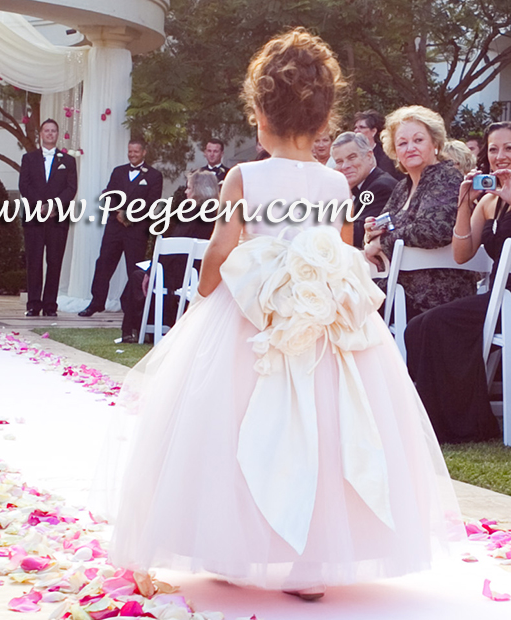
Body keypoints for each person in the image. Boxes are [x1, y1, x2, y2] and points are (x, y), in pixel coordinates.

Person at [102, 28, 461, 601]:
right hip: (319, 320)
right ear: (323, 122)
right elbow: (339, 250)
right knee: (324, 428)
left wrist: (203, 299)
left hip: (253, 317)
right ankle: (313, 563)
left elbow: (222, 247)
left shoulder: (245, 176)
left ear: (260, 115)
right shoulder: (333, 181)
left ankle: (231, 546)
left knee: (237, 424)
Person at [405, 121, 511, 444]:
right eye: (493, 149)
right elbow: (462, 254)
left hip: (505, 300)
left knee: (437, 323)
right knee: (419, 326)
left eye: (508, 148)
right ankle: (430, 422)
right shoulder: (490, 202)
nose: (499, 155)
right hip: (495, 297)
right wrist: (465, 202)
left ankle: (465, 425)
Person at [364, 105, 477, 317]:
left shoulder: (447, 178)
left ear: (435, 143)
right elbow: (387, 226)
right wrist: (373, 232)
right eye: (402, 143)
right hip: (400, 289)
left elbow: (434, 229)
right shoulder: (402, 187)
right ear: (395, 152)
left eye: (418, 140)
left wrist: (381, 242)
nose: (410, 148)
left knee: (349, 308)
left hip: (436, 296)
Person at [119, 170, 218, 342]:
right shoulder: (217, 215)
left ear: (198, 190)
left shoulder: (191, 215)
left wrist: (151, 272)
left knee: (137, 277)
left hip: (180, 275)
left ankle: (134, 329)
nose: (186, 192)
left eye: (189, 188)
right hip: (201, 272)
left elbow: (171, 249)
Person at [79, 139, 163, 317]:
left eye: (136, 151)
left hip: (137, 230)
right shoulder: (119, 171)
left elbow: (152, 203)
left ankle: (132, 307)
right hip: (115, 228)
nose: (132, 154)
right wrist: (118, 212)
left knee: (134, 269)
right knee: (103, 264)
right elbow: (108, 194)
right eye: (130, 151)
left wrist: (130, 216)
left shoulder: (154, 176)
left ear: (144, 152)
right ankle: (96, 303)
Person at [19, 119, 78, 317]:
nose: (50, 134)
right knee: (34, 262)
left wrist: (54, 206)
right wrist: (40, 206)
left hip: (57, 218)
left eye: (53, 131)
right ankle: (33, 304)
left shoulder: (68, 161)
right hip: (34, 218)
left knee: (55, 262)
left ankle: (50, 305)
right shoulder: (29, 159)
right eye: (47, 130)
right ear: (41, 134)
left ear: (57, 134)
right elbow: (24, 186)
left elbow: (71, 188)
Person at [331, 131, 397, 248]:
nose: (345, 166)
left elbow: (357, 235)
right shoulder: (361, 186)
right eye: (339, 161)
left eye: (352, 157)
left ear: (369, 156)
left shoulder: (381, 187)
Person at [353, 109, 404, 180]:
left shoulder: (386, 156)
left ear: (373, 131)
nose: (356, 130)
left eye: (362, 127)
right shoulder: (353, 154)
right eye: (355, 127)